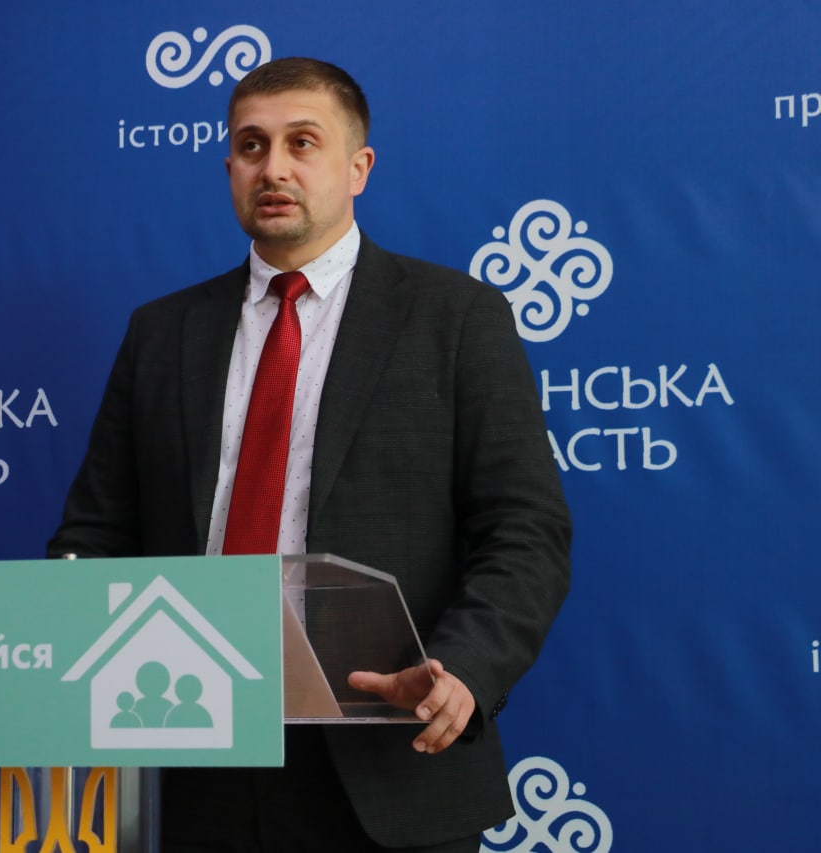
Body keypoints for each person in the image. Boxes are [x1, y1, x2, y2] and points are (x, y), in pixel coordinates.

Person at [47, 57, 571, 853]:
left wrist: (461, 669)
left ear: (358, 167)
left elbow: (525, 531)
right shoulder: (161, 332)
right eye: (251, 146)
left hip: (389, 749)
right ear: (229, 168)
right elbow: (97, 533)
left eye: (302, 142)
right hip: (191, 748)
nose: (273, 168)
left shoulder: (456, 317)